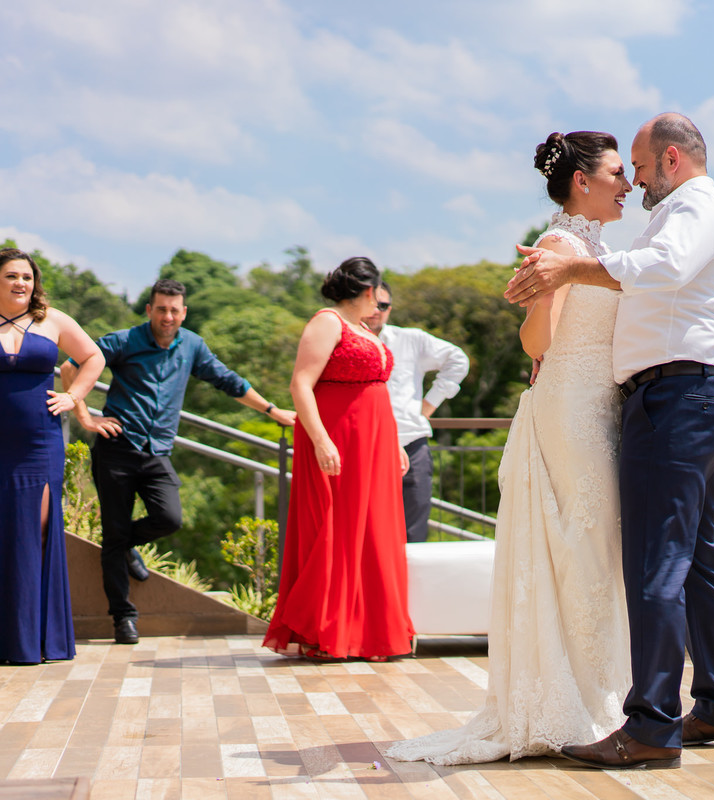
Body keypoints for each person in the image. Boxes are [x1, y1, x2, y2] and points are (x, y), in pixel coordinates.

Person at [505, 113, 714, 770]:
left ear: (670, 159)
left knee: (656, 564)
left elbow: (661, 271)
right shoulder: (666, 218)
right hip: (675, 396)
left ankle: (650, 726)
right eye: (623, 171)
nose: (634, 182)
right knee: (696, 559)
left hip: (679, 398)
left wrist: (573, 271)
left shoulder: (695, 209)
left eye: (638, 168)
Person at [387, 131, 633, 764]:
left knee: (594, 548)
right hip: (570, 407)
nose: (627, 184)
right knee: (579, 545)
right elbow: (535, 344)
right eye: (615, 173)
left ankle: (600, 689)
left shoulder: (592, 246)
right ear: (582, 181)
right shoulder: (558, 244)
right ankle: (570, 701)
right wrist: (531, 303)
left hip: (597, 405)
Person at [62, 279, 296, 646]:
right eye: (161, 309)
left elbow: (228, 381)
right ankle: (123, 618)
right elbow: (70, 366)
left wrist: (272, 410)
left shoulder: (192, 346)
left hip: (158, 453)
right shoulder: (124, 341)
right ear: (149, 310)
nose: (167, 316)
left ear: (183, 312)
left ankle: (125, 545)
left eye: (174, 310)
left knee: (168, 518)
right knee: (114, 533)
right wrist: (86, 417)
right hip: (117, 447)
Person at [263, 257, 415, 661]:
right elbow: (301, 384)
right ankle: (329, 631)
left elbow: (375, 393)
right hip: (340, 441)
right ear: (368, 292)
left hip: (374, 443)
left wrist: (393, 441)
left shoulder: (362, 329)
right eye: (378, 300)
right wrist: (320, 441)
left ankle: (369, 633)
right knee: (338, 531)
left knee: (372, 532)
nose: (380, 308)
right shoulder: (328, 322)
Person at [0, 249, 105, 664]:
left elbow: (93, 357)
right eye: (11, 276)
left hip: (39, 444)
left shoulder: (53, 320)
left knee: (37, 532)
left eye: (27, 276)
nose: (21, 283)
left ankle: (37, 639)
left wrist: (73, 396)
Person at [363, 282, 469, 542]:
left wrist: (428, 406)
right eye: (372, 303)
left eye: (383, 305)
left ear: (390, 308)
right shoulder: (344, 341)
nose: (377, 310)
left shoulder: (411, 339)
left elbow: (458, 360)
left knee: (413, 534)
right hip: (364, 446)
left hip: (410, 443)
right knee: (367, 533)